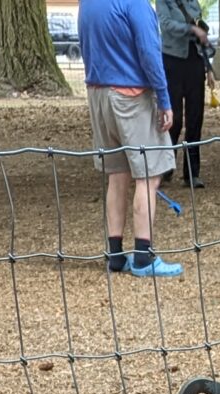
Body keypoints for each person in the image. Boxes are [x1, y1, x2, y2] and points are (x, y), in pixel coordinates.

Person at [81, 0, 185, 277]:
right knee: (149, 176)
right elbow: (149, 52)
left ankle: (115, 254)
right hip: (132, 96)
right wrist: (164, 99)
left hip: (98, 94)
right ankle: (143, 256)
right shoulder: (135, 3)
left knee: (117, 174)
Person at [156, 0, 211, 190]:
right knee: (175, 118)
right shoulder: (164, 2)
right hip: (172, 61)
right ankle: (166, 166)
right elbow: (166, 25)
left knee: (195, 118)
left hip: (194, 60)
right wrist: (191, 30)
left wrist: (208, 67)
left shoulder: (192, 2)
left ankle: (192, 173)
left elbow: (198, 25)